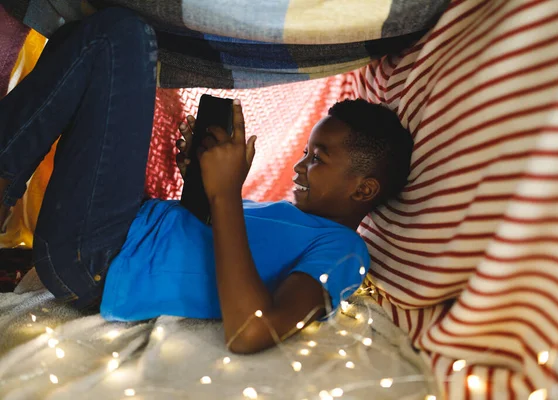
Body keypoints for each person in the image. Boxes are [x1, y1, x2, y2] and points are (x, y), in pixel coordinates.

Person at [0, 8, 413, 354]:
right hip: (119, 229)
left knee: (120, 37)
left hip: (100, 259)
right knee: (84, 40)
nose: (299, 168)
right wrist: (197, 181)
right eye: (305, 154)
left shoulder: (345, 251)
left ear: (363, 189)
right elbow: (197, 244)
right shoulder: (285, 215)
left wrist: (227, 195)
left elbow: (253, 331)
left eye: (318, 159)